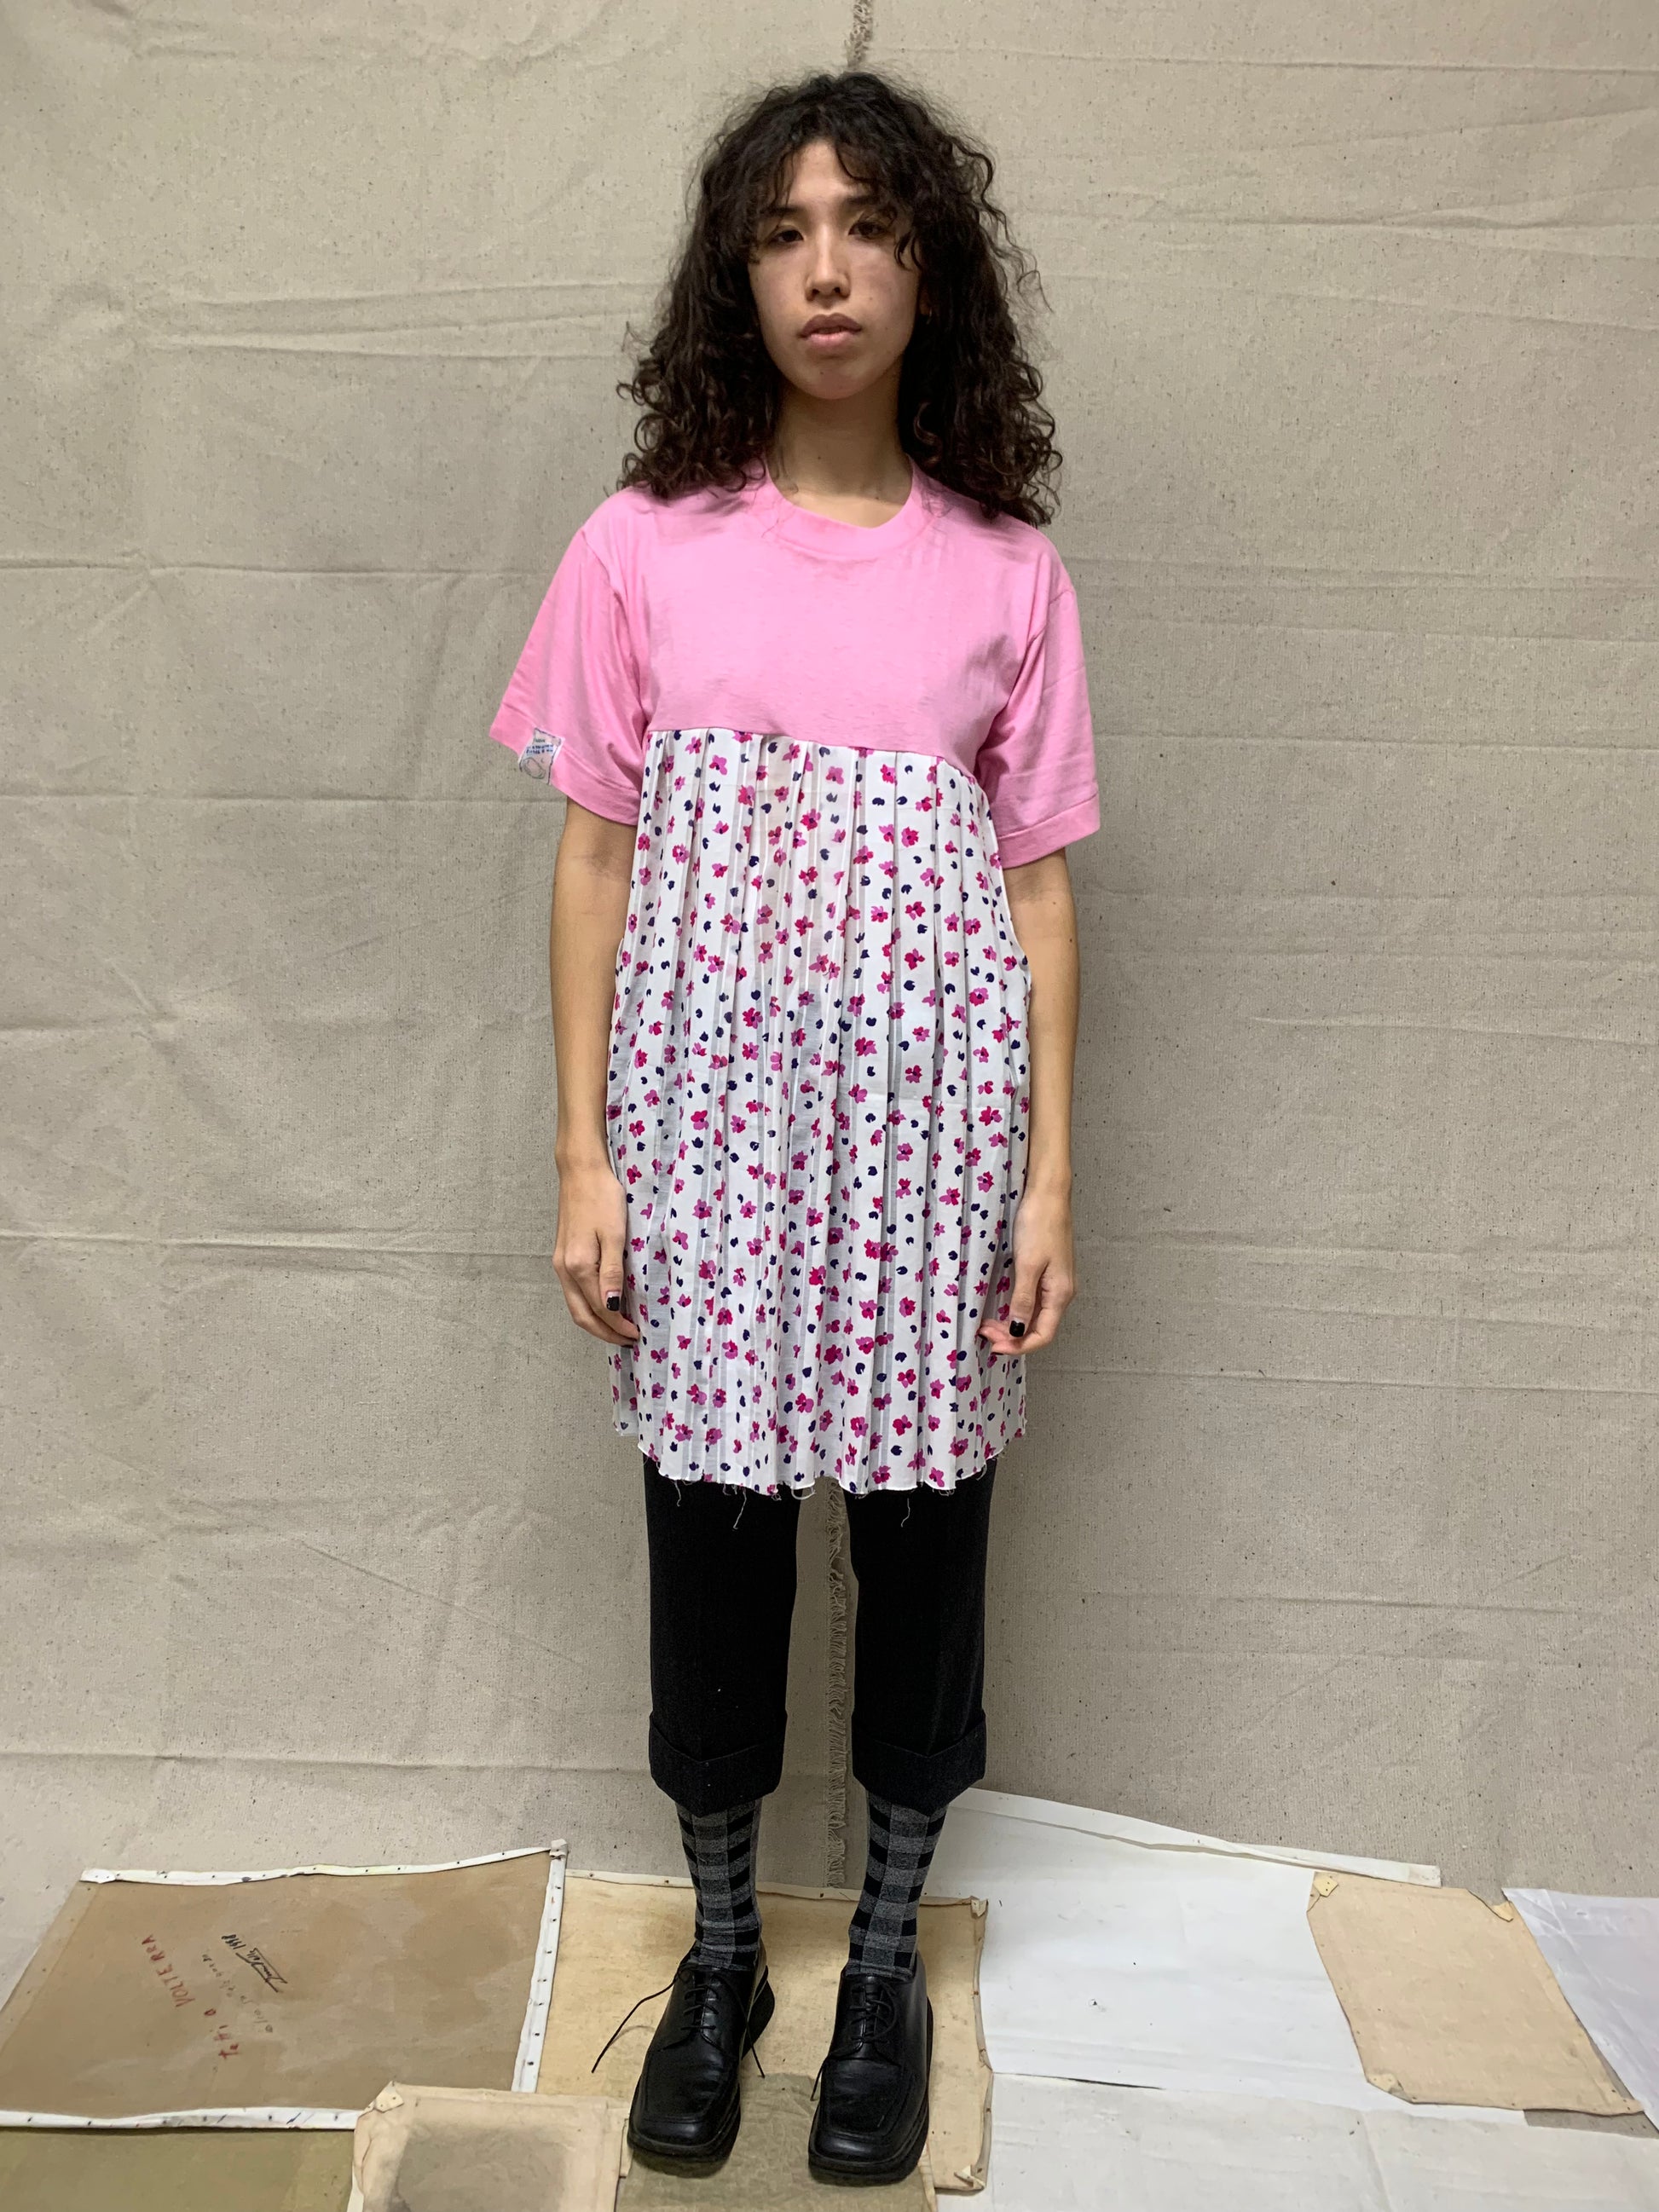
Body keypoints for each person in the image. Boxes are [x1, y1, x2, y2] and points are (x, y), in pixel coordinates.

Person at [488, 65, 1099, 2187]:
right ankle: (731, 1953)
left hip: (931, 1153)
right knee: (714, 1552)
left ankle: (887, 1968)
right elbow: (591, 856)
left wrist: (1047, 1175)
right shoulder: (640, 547)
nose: (825, 270)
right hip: (709, 1147)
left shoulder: (1006, 571)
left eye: (868, 227)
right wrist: (584, 1153)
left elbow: (1037, 889)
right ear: (732, 278)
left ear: (933, 273)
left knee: (923, 1556)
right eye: (781, 231)